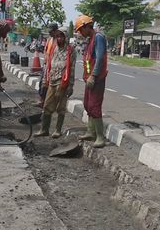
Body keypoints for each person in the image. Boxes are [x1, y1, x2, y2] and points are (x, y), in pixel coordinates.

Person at [34, 26, 76, 138]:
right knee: (47, 105)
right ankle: (44, 129)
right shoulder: (54, 48)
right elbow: (48, 65)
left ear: (66, 37)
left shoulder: (70, 50)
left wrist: (70, 85)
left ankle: (58, 130)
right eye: (57, 36)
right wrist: (44, 81)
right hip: (51, 80)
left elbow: (71, 69)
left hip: (63, 82)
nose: (59, 38)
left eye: (61, 36)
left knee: (60, 108)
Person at [75, 15, 108, 148]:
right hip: (90, 79)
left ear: (87, 27)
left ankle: (100, 137)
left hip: (97, 79)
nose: (80, 33)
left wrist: (93, 76)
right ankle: (90, 131)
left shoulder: (98, 37)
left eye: (81, 30)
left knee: (95, 106)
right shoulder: (90, 39)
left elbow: (99, 59)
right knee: (88, 104)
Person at [36, 23, 58, 107]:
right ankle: (42, 100)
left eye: (51, 31)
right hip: (46, 65)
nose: (50, 33)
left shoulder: (58, 40)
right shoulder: (49, 39)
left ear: (56, 31)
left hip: (53, 66)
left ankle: (47, 102)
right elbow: (46, 51)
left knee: (50, 84)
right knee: (42, 82)